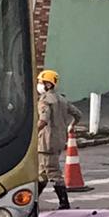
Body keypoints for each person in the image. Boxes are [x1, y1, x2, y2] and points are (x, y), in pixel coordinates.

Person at [36, 69, 82, 209]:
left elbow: (43, 120)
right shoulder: (62, 99)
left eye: (41, 82)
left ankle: (64, 203)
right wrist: (71, 125)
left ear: (48, 85)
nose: (39, 85)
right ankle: (33, 201)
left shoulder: (45, 100)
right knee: (42, 172)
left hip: (46, 142)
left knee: (52, 172)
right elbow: (78, 114)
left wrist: (34, 134)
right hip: (59, 140)